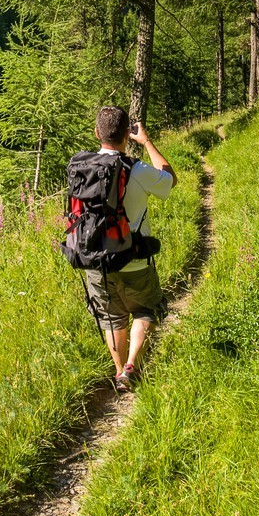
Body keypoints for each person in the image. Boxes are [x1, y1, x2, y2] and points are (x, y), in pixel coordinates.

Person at [84, 105, 177, 394]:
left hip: (96, 261)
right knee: (145, 309)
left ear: (97, 133)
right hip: (135, 259)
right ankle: (132, 365)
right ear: (127, 134)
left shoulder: (81, 169)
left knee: (111, 317)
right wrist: (146, 141)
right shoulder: (136, 170)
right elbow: (170, 179)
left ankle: (118, 369)